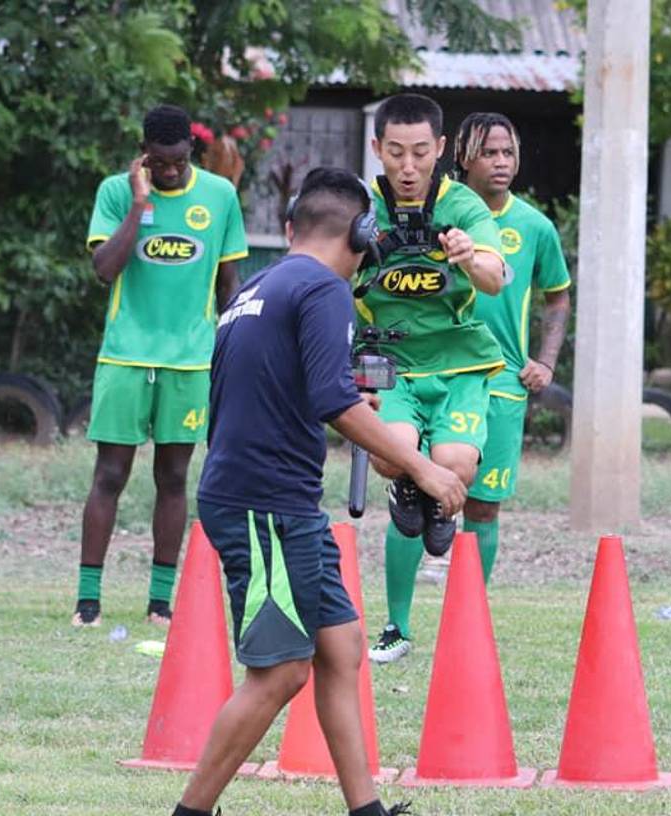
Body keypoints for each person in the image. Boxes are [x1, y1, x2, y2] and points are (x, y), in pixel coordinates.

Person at [172, 167, 462, 816]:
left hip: (267, 497)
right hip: (266, 503)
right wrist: (422, 467)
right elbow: (335, 402)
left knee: (340, 645)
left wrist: (343, 398)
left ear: (291, 227)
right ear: (360, 234)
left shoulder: (258, 287)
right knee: (280, 672)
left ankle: (367, 810)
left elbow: (286, 387)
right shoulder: (324, 289)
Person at [73, 104, 248, 627]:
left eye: (178, 161)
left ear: (191, 150)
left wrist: (234, 351)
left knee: (173, 478)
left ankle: (159, 603)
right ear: (143, 154)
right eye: (159, 162)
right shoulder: (115, 192)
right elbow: (105, 269)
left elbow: (229, 284)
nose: (170, 171)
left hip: (190, 363)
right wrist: (139, 204)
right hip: (125, 356)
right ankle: (87, 602)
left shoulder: (220, 196)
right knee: (109, 475)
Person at [361, 93, 507, 665]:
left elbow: (494, 277)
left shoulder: (463, 204)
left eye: (420, 152)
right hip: (387, 360)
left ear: (441, 149)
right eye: (395, 152)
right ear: (377, 148)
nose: (408, 166)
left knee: (455, 467)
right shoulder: (361, 205)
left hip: (458, 363)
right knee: (393, 455)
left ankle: (426, 498)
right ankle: (395, 626)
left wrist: (469, 256)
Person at [455, 112, 572, 576]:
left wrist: (545, 361)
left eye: (508, 153)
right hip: (437, 374)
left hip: (503, 383)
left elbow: (558, 297)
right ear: (464, 157)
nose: (501, 162)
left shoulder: (535, 227)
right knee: (420, 498)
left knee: (483, 507)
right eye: (489, 153)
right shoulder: (439, 214)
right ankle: (397, 614)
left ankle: (472, 611)